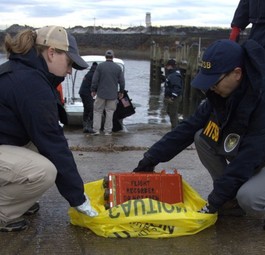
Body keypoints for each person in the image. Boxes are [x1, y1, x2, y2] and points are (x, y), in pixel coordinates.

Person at [134, 38, 265, 221]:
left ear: (236, 73)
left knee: (249, 198)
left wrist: (214, 201)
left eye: (215, 82)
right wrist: (151, 158)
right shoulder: (219, 95)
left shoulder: (261, 99)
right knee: (201, 137)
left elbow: (249, 157)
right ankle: (230, 200)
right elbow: (188, 127)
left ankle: (234, 195)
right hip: (253, 154)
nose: (210, 87)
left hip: (257, 154)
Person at [0, 26, 98, 232]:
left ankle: (15, 200)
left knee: (37, 150)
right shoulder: (31, 84)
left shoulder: (23, 72)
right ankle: (3, 212)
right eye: (69, 62)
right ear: (52, 53)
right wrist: (78, 199)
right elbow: (53, 143)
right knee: (43, 171)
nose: (70, 70)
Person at [91, 50, 125, 135]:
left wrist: (93, 90)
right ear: (113, 56)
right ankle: (107, 131)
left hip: (101, 93)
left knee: (97, 111)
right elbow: (122, 82)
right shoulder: (118, 68)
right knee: (110, 112)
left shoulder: (100, 66)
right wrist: (121, 92)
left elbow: (95, 80)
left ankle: (96, 130)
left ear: (105, 56)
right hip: (112, 95)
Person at [163, 59, 183, 129]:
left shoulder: (174, 75)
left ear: (170, 66)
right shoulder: (172, 74)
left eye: (167, 66)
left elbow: (177, 87)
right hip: (171, 97)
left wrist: (172, 97)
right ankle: (179, 125)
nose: (166, 67)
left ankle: (175, 130)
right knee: (169, 111)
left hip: (174, 98)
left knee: (173, 114)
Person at [79, 62, 98, 133]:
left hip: (82, 92)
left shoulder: (89, 73)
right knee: (92, 108)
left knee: (86, 108)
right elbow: (94, 84)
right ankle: (89, 126)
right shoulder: (94, 74)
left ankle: (85, 126)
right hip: (86, 93)